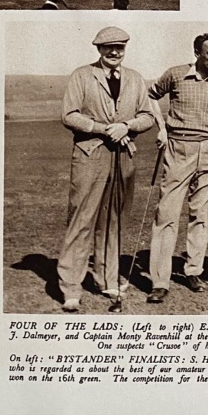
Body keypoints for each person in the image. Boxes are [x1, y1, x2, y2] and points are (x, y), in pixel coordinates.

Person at [58, 27, 154, 312]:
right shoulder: (82, 75)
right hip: (90, 154)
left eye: (120, 47)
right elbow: (69, 115)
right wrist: (103, 129)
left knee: (115, 219)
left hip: (124, 155)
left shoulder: (135, 79)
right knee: (82, 219)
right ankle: (71, 288)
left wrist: (127, 126)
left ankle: (106, 277)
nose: (114, 52)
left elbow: (148, 115)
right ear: (98, 49)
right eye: (108, 47)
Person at [146, 34, 208, 303]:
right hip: (178, 149)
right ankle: (159, 281)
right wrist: (160, 129)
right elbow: (149, 96)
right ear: (197, 52)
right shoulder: (176, 74)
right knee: (167, 213)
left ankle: (193, 270)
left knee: (202, 214)